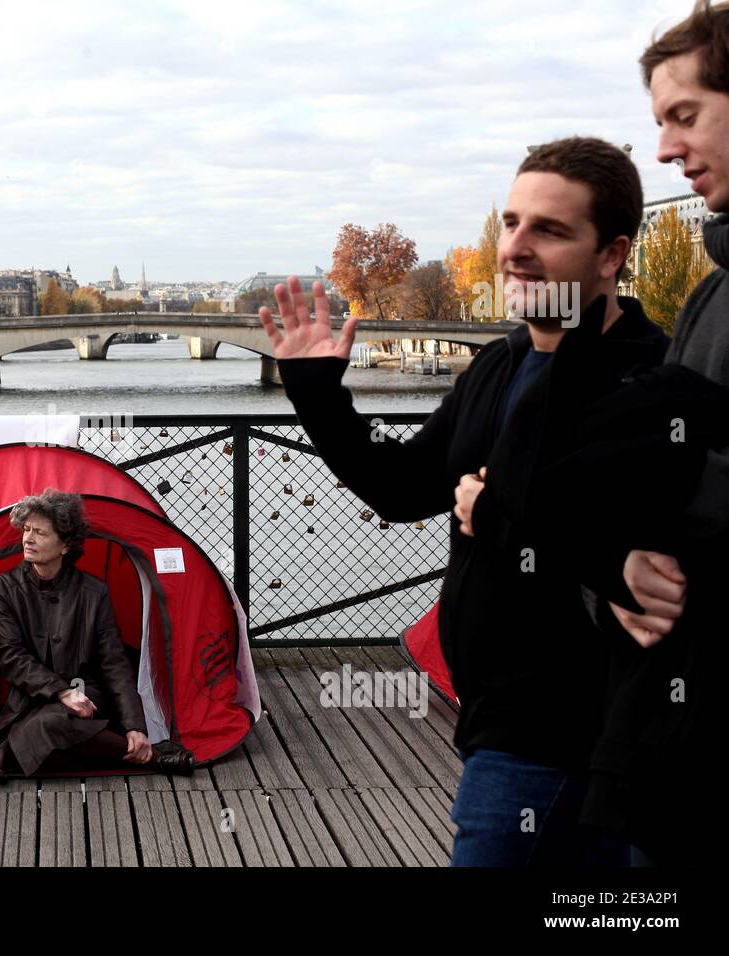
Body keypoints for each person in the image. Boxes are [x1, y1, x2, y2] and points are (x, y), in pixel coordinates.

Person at [261, 137, 668, 866]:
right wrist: (318, 393)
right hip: (491, 720)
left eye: (549, 229)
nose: (515, 246)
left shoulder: (649, 378)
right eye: (511, 223)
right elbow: (402, 488)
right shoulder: (500, 364)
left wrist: (506, 510)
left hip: (571, 732)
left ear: (612, 255)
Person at [564, 1, 729, 865]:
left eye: (684, 115)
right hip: (670, 744)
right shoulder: (709, 296)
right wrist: (617, 571)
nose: (665, 147)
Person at [0, 490, 194, 779]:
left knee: (49, 727)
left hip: (86, 694)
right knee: (45, 725)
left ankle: (113, 744)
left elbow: (114, 662)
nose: (28, 539)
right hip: (32, 697)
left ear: (64, 545)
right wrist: (61, 691)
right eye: (26, 530)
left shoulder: (93, 592)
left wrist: (135, 726)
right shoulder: (2, 590)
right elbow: (10, 656)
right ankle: (156, 758)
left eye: (40, 533)